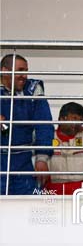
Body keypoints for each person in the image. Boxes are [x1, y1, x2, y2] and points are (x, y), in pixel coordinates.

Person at [0, 54, 54, 195]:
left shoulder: (33, 89)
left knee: (29, 202)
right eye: (20, 71)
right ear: (5, 71)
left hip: (23, 160)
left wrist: (42, 158)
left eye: (26, 71)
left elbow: (44, 124)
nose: (24, 76)